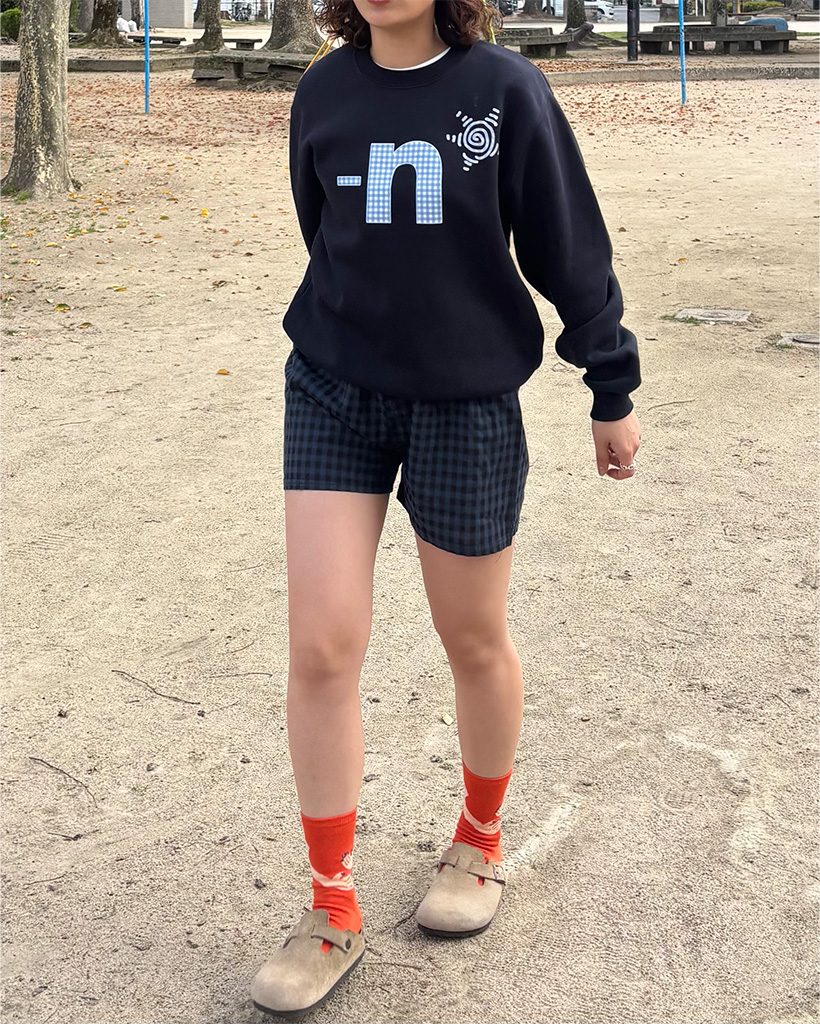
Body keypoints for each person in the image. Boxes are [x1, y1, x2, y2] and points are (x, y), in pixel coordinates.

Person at [251, 0, 642, 1016]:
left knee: (472, 635)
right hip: (332, 388)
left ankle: (478, 837)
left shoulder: (505, 90)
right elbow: (324, 232)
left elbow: (565, 243)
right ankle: (331, 902)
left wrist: (610, 384)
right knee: (321, 646)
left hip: (465, 400)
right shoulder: (322, 91)